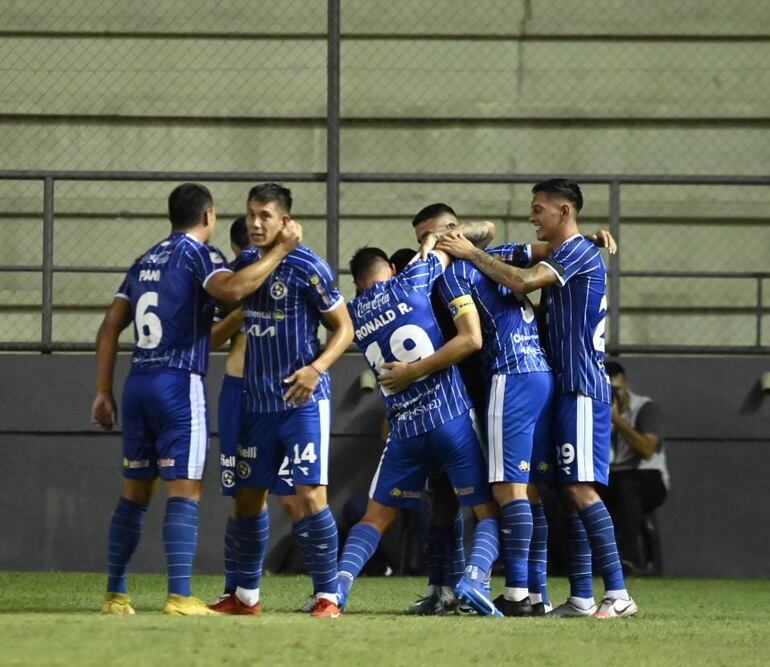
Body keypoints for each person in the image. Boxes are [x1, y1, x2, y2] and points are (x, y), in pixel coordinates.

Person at [91, 183, 300, 616]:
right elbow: (232, 290)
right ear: (208, 216)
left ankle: (115, 594)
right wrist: (279, 254)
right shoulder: (200, 255)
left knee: (134, 493)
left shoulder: (145, 259)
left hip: (137, 383)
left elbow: (110, 326)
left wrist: (103, 389)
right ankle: (180, 596)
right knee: (184, 490)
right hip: (178, 383)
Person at [437, 178, 637, 619]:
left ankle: (619, 594)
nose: (532, 217)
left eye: (539, 209)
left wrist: (472, 254)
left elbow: (525, 281)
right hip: (559, 384)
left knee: (581, 489)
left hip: (583, 385)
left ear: (564, 211)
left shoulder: (578, 253)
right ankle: (583, 596)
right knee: (564, 491)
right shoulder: (576, 248)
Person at [210, 183, 354, 619]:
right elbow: (231, 297)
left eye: (265, 216)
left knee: (311, 494)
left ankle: (328, 595)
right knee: (247, 498)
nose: (255, 223)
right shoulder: (248, 264)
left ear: (285, 220)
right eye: (251, 214)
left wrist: (316, 369)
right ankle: (245, 597)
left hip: (302, 400)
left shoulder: (310, 266)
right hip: (257, 404)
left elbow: (344, 329)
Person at [336, 246, 502, 616]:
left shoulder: (354, 312)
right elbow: (451, 246)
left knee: (375, 517)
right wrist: (433, 246)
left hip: (405, 429)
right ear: (392, 269)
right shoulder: (413, 279)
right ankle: (473, 581)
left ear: (357, 282)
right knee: (487, 512)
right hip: (450, 417)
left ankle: (336, 590)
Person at [208, 217, 321, 613]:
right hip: (239, 395)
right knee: (242, 497)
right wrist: (241, 313)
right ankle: (236, 589)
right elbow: (211, 338)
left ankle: (323, 588)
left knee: (297, 498)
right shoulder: (236, 283)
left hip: (283, 395)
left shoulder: (293, 276)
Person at [604, 361, 668, 572]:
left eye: (617, 389)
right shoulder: (591, 409)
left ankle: (624, 560)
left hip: (646, 477)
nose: (614, 395)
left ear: (627, 385)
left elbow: (647, 450)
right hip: (608, 476)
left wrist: (617, 420)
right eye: (608, 390)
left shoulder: (645, 408)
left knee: (626, 487)